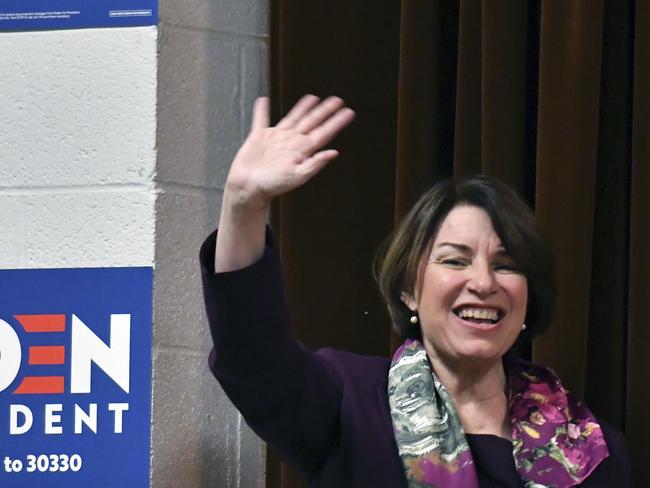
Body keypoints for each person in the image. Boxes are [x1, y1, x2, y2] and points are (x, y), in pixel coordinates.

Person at [201, 95, 633, 487]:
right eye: (454, 260)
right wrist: (243, 203)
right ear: (409, 289)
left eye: (505, 265)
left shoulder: (591, 451)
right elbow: (252, 357)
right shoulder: (349, 404)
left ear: (528, 296)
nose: (483, 283)